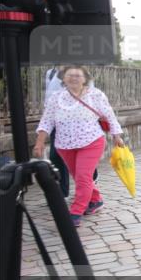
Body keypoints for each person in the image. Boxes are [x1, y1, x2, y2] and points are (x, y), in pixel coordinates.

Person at [33, 65, 125, 227]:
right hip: (64, 144)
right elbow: (47, 121)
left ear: (85, 79)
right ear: (63, 78)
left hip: (91, 141)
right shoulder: (56, 98)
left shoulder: (95, 95)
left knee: (83, 177)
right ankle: (95, 200)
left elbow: (109, 115)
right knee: (80, 177)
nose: (74, 78)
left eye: (77, 75)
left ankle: (76, 212)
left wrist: (117, 136)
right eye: (70, 75)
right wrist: (39, 143)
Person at [42, 66, 98, 197]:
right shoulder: (51, 73)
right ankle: (61, 192)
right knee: (56, 155)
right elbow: (48, 97)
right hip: (57, 120)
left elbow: (91, 96)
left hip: (79, 122)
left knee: (82, 157)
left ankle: (92, 183)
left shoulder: (81, 71)